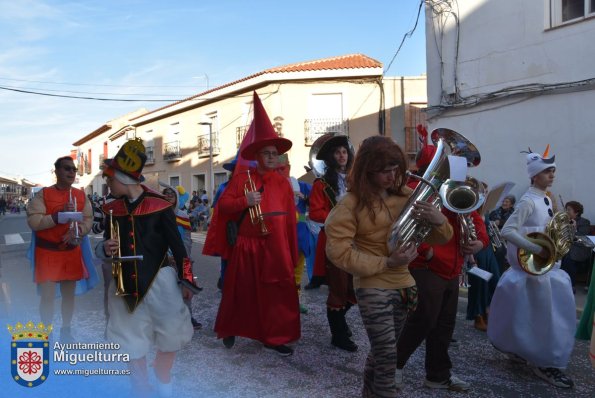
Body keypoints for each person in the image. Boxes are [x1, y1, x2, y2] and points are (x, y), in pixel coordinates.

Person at [325, 136, 453, 397]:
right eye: (385, 170)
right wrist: (386, 262)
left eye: (395, 169)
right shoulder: (349, 204)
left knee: (381, 352)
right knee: (387, 356)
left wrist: (438, 219)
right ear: (367, 170)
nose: (392, 175)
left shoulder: (407, 195)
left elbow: (442, 238)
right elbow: (338, 252)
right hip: (372, 286)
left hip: (405, 286)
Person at [96, 138, 195, 397]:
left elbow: (179, 247)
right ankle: (140, 387)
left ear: (123, 179)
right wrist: (105, 249)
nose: (107, 183)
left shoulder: (160, 205)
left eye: (110, 178)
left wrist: (187, 282)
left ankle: (163, 375)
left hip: (160, 281)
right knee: (127, 338)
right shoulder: (110, 209)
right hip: (123, 282)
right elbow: (107, 243)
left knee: (172, 330)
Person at [213, 91, 299, 356]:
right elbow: (223, 207)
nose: (273, 157)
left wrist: (290, 250)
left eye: (276, 153)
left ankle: (274, 336)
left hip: (276, 246)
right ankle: (230, 328)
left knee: (277, 292)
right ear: (257, 155)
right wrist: (244, 201)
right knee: (241, 291)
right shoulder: (241, 180)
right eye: (267, 153)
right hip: (248, 245)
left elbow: (289, 220)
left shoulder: (284, 183)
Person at [488, 147, 575, 389]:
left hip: (546, 269)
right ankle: (545, 362)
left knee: (533, 316)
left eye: (553, 171)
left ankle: (528, 352)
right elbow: (507, 231)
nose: (552, 175)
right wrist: (535, 249)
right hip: (534, 270)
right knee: (544, 318)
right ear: (534, 175)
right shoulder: (528, 200)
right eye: (547, 171)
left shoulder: (546, 198)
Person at [26, 156, 97, 342]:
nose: (71, 172)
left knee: (69, 296)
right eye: (67, 168)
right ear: (56, 171)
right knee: (48, 297)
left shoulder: (81, 195)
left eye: (73, 169)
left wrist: (78, 232)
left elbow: (88, 219)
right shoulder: (43, 195)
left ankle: (66, 330)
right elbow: (34, 222)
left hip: (71, 252)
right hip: (48, 253)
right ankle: (46, 332)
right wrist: (57, 216)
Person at [309, 134, 358, 351]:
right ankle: (338, 335)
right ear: (331, 157)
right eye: (337, 152)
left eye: (344, 152)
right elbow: (316, 213)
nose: (341, 155)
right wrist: (338, 215)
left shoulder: (355, 180)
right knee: (338, 289)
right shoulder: (321, 184)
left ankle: (340, 322)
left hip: (357, 240)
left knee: (355, 288)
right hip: (334, 241)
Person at [160, 182, 203, 331]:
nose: (169, 196)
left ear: (177, 197)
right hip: (164, 258)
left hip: (183, 257)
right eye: (166, 194)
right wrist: (166, 256)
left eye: (172, 194)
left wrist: (183, 257)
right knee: (166, 289)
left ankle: (188, 317)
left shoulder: (183, 215)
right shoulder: (157, 215)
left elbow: (187, 239)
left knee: (187, 286)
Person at [560, 200, 591, 291]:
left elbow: (581, 238)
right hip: (567, 247)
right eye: (566, 209)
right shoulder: (564, 222)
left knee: (568, 256)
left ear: (576, 212)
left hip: (580, 249)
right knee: (562, 254)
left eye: (569, 210)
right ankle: (561, 283)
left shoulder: (584, 222)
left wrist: (575, 229)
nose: (566, 212)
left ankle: (570, 285)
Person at [488, 195, 516, 273]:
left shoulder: (514, 214)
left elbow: (513, 224)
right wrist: (493, 223)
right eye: (503, 201)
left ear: (511, 205)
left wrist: (500, 222)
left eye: (507, 202)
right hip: (493, 239)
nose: (504, 203)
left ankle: (499, 271)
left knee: (500, 251)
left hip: (507, 240)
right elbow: (488, 222)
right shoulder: (495, 212)